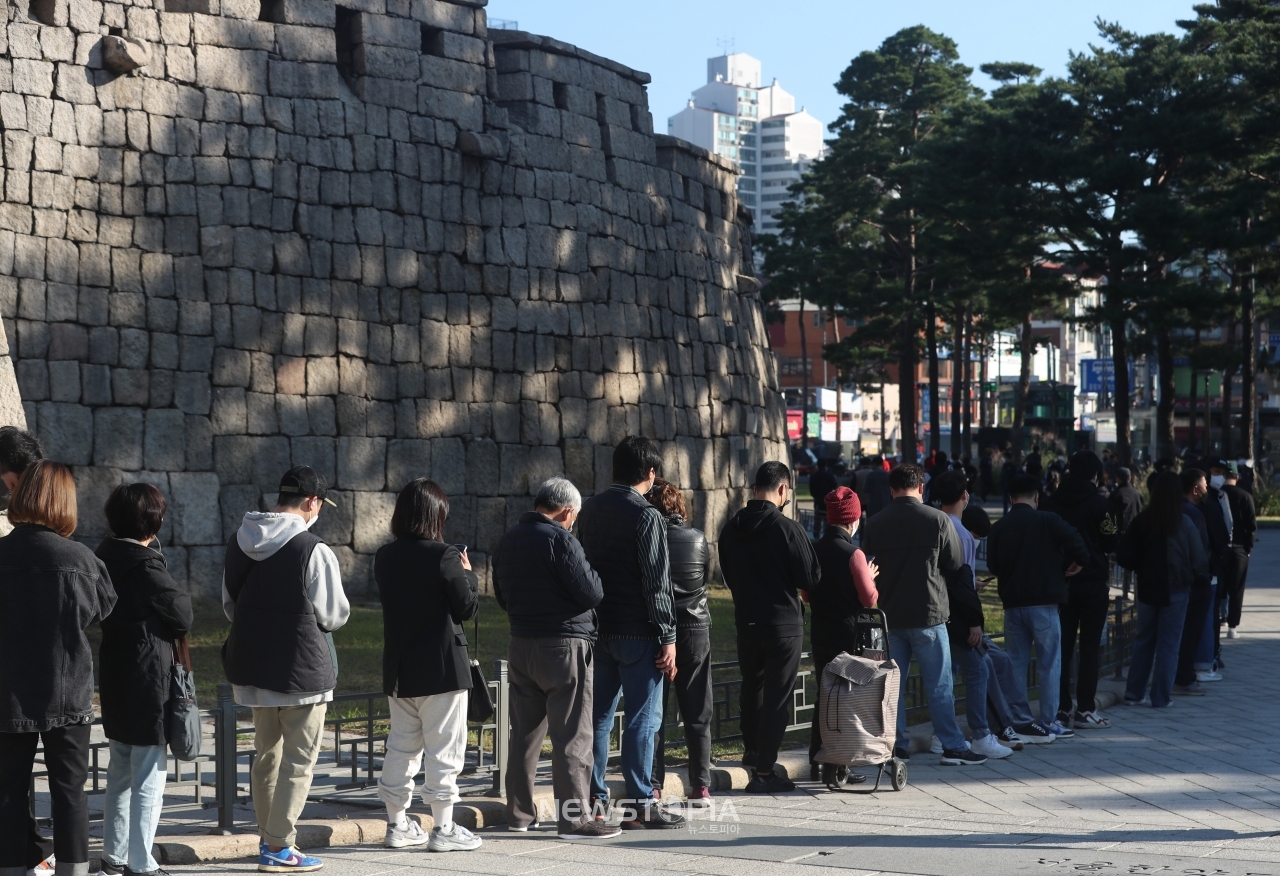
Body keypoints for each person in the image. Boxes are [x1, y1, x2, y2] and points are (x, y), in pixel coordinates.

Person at [222, 466, 350, 872]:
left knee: (267, 757)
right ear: (313, 503)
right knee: (298, 761)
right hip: (302, 673)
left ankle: (269, 839)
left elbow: (230, 606)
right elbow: (333, 615)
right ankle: (278, 846)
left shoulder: (239, 542)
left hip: (254, 667)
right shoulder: (313, 549)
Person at [0, 461, 115, 876]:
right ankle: (73, 870)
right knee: (70, 791)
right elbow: (103, 609)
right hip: (67, 689)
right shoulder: (81, 559)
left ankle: (11, 868)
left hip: (6, 689)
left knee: (8, 790)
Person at [492, 478, 618, 841]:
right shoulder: (562, 541)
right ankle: (575, 819)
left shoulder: (507, 540)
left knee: (525, 735)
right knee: (573, 736)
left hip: (521, 643)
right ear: (567, 511)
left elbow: (502, 596)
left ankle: (518, 814)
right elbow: (592, 592)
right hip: (564, 647)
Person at [576, 437, 682, 829]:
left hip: (599, 629)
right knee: (642, 718)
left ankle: (595, 798)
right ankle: (641, 802)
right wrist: (669, 636)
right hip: (640, 632)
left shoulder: (590, 509)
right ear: (651, 474)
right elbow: (657, 584)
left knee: (599, 719)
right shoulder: (647, 516)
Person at [374, 479, 483, 853]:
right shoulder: (445, 555)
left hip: (401, 670)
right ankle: (444, 827)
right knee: (444, 751)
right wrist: (469, 573)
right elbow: (466, 607)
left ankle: (397, 823)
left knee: (401, 748)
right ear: (437, 514)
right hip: (442, 669)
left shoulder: (385, 556)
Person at [97, 484, 194, 876]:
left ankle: (114, 855)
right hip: (148, 675)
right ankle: (141, 861)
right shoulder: (146, 565)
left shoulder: (104, 557)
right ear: (153, 521)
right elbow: (182, 614)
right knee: (150, 772)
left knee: (119, 768)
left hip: (116, 670)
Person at [862, 464, 983, 765]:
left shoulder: (875, 523)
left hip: (889, 615)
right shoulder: (938, 520)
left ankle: (896, 744)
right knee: (940, 686)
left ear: (892, 490)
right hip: (929, 614)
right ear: (921, 488)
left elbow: (868, 564)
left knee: (893, 688)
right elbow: (955, 564)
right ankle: (952, 745)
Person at [719, 461, 821, 788]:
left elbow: (729, 575)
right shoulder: (787, 529)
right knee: (778, 695)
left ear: (753, 490)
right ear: (783, 489)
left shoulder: (730, 529)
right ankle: (765, 770)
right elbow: (810, 577)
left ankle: (752, 752)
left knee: (753, 686)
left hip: (746, 620)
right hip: (783, 625)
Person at [986, 474, 1089, 739]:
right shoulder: (1048, 520)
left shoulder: (1000, 527)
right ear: (1036, 496)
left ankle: (1019, 720)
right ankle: (1049, 719)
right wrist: (1077, 562)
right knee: (1049, 663)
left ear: (1010, 498)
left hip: (1013, 604)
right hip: (1045, 602)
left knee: (1016, 664)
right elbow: (1078, 543)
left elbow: (994, 566)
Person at [933, 472, 1013, 759]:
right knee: (976, 671)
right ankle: (980, 734)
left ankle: (938, 735)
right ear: (964, 496)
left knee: (944, 675)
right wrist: (974, 622)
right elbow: (963, 582)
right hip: (959, 617)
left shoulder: (932, 522)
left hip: (936, 610)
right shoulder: (963, 535)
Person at [645, 480, 715, 808]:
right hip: (695, 629)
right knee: (698, 711)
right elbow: (705, 575)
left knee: (654, 712)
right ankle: (700, 786)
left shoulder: (647, 539)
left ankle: (654, 785)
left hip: (658, 631)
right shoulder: (698, 538)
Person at [1039, 451, 1119, 730]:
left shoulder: (1050, 504)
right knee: (1090, 648)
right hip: (1093, 582)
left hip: (1060, 584)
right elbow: (1111, 542)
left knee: (1061, 647)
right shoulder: (1100, 505)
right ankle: (1085, 708)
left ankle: (1061, 707)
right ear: (1095, 475)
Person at [807, 486, 882, 777]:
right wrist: (871, 578)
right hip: (848, 636)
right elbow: (870, 600)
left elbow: (806, 594)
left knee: (823, 697)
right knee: (845, 698)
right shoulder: (855, 554)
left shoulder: (814, 550)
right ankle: (840, 765)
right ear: (854, 520)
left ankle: (816, 758)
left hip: (820, 633)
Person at [1117, 471, 1209, 708]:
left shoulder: (1142, 521)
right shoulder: (1184, 522)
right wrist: (1191, 576)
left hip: (1148, 588)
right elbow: (1199, 560)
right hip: (1177, 589)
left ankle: (1133, 693)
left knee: (1143, 640)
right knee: (1169, 645)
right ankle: (1160, 697)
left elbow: (1125, 556)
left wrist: (1141, 568)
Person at [1172, 469, 1215, 697]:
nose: (1208, 488)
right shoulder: (1194, 515)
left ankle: (1176, 675)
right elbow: (1200, 552)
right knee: (1190, 634)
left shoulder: (1171, 510)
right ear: (1196, 489)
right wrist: (1204, 578)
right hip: (1194, 582)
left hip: (1174, 580)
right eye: (1205, 484)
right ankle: (1184, 678)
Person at [1221, 464, 1256, 640]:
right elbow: (1252, 527)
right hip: (1239, 549)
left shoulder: (1216, 495)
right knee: (1237, 588)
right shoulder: (1245, 496)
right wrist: (1247, 549)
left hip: (1219, 549)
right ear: (1237, 478)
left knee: (1219, 586)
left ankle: (1219, 618)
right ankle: (1233, 627)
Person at [808, 459, 838, 539]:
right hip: (827, 500)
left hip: (818, 500)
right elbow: (834, 486)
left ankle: (816, 535)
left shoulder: (814, 476)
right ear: (826, 465)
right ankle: (826, 535)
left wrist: (815, 495)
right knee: (827, 519)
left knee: (817, 518)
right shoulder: (829, 475)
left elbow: (811, 489)